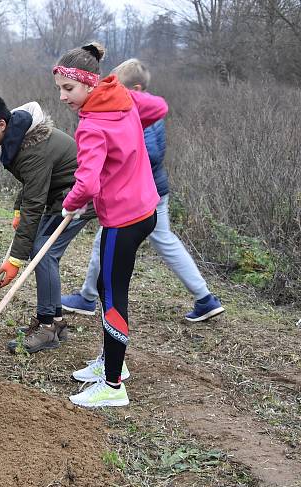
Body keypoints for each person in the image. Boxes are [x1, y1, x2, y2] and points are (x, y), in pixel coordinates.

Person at [61, 58, 224, 323]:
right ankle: (88, 296)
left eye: (121, 89)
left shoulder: (129, 109)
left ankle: (204, 297)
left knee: (162, 243)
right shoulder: (126, 108)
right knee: (107, 244)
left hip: (141, 194)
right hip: (138, 194)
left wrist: (116, 154)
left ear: (135, 89)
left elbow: (149, 152)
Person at [53, 42, 167, 408]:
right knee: (105, 284)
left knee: (115, 294)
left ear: (88, 85)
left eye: (68, 89)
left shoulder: (90, 127)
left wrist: (68, 206)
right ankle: (111, 361)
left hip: (123, 218)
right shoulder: (122, 96)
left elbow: (86, 184)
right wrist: (129, 136)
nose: (62, 96)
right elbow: (159, 106)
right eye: (59, 88)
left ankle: (114, 385)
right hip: (145, 208)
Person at [0, 94, 78, 353]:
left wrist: (14, 261)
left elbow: (35, 204)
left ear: (2, 125)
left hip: (80, 197)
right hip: (59, 194)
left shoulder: (33, 148)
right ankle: (56, 321)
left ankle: (48, 328)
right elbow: (32, 182)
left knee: (43, 252)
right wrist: (18, 207)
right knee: (41, 250)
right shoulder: (20, 137)